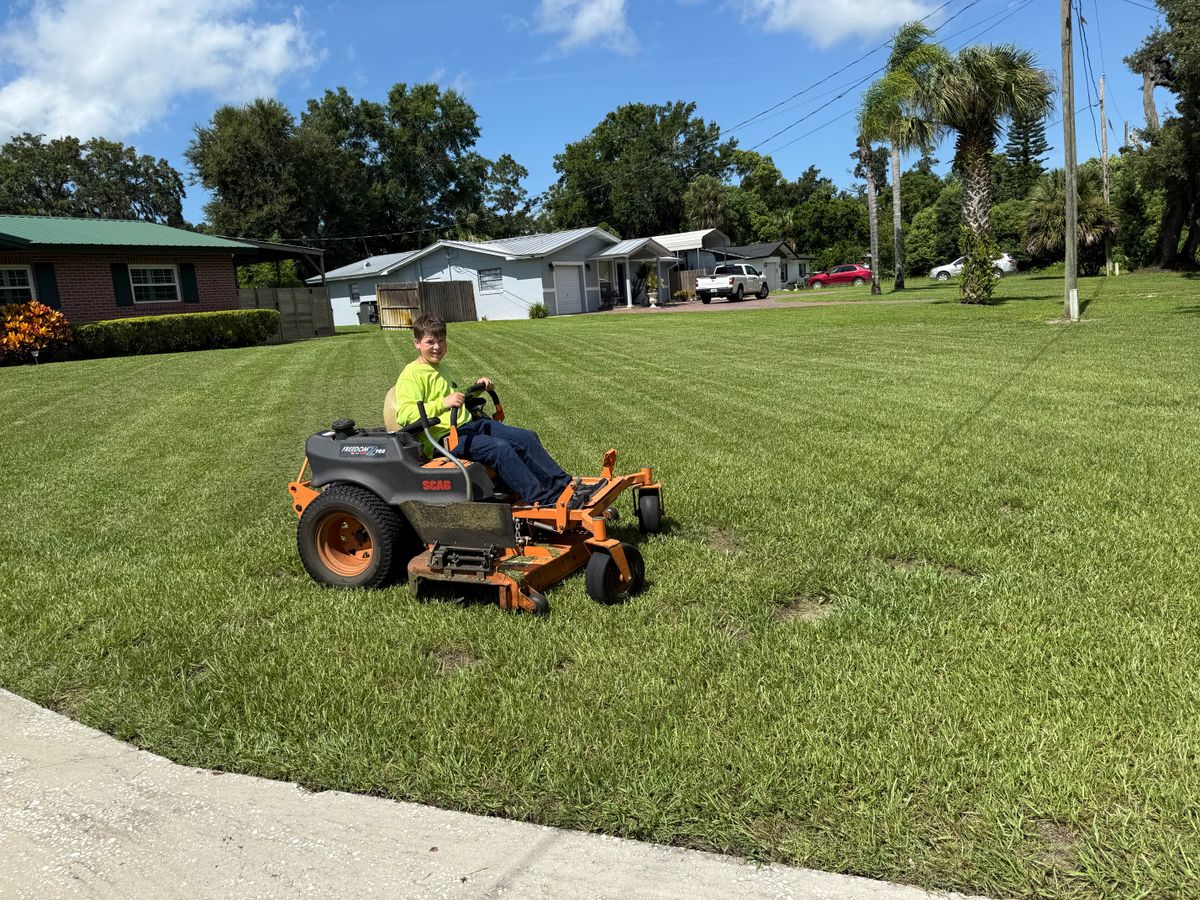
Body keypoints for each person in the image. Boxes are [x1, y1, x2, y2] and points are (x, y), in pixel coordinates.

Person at [393, 313, 575, 506]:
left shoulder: (440, 367)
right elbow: (404, 415)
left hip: (468, 426)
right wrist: (443, 404)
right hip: (444, 440)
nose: (437, 347)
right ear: (417, 343)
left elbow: (454, 397)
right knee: (499, 448)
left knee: (526, 437)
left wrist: (476, 386)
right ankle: (544, 500)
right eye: (430, 342)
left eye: (441, 340)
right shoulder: (411, 375)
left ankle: (563, 486)